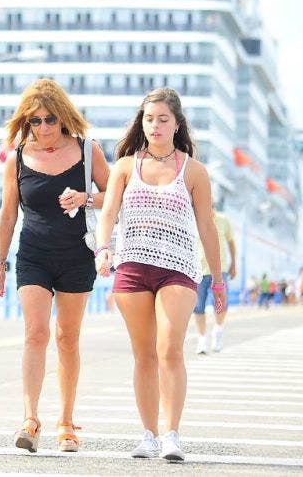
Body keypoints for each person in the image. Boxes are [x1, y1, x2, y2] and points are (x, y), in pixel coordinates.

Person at [93, 87, 225, 461]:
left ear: (177, 123)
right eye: (149, 119)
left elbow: (207, 227)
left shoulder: (194, 171)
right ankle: (148, 434)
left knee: (169, 350)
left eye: (163, 119)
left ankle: (171, 434)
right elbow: (107, 214)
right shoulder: (124, 166)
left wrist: (216, 280)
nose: (155, 125)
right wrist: (104, 249)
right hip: (132, 267)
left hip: (178, 270)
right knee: (143, 355)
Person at [0, 79, 109, 453]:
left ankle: (67, 422)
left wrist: (87, 197)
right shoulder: (18, 157)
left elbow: (113, 196)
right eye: (36, 120)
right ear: (27, 122)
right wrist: (0, 264)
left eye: (51, 119)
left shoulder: (88, 151)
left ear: (64, 117)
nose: (44, 127)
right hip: (33, 255)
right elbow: (8, 215)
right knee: (35, 334)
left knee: (67, 338)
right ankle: (30, 418)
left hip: (77, 256)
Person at [192, 207, 236, 354]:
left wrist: (234, 263)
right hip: (199, 270)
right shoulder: (193, 219)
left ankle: (217, 330)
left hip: (220, 269)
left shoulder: (223, 220)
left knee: (219, 304)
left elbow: (231, 243)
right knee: (198, 307)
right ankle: (202, 340)